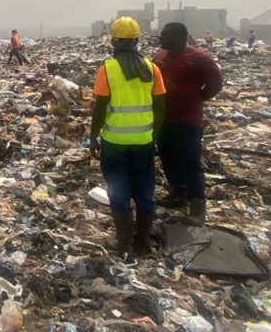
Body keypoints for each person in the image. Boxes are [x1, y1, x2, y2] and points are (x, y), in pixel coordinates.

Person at [89, 17, 166, 258]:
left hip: (114, 144)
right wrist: (153, 136)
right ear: (136, 41)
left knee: (119, 192)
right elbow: (160, 107)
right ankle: (141, 245)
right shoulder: (152, 68)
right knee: (144, 192)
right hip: (143, 142)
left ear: (114, 42)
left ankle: (124, 246)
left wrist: (93, 137)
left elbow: (100, 108)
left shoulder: (107, 69)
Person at [154, 22, 223, 224]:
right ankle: (178, 193)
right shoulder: (159, 57)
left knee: (191, 163)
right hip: (163, 119)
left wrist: (196, 99)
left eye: (165, 35)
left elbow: (216, 84)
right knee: (168, 158)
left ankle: (197, 207)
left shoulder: (200, 58)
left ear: (180, 37)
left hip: (187, 121)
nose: (161, 37)